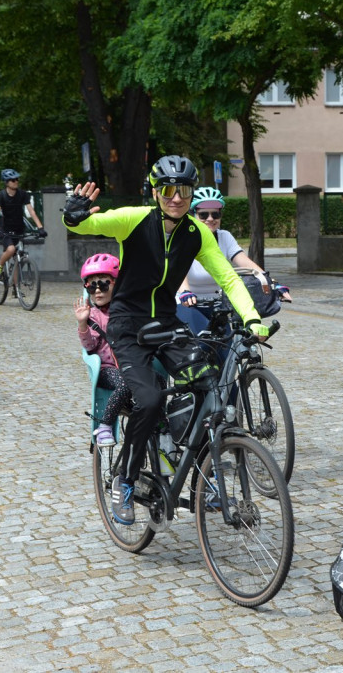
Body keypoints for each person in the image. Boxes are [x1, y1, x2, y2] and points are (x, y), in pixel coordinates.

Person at [62, 155, 270, 525]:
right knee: (151, 397)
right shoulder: (135, 219)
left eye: (184, 191)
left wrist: (251, 316)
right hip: (127, 325)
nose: (177, 198)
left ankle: (198, 471)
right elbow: (89, 222)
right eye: (169, 190)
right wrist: (73, 215)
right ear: (156, 192)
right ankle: (124, 481)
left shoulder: (197, 233)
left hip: (168, 323)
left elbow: (228, 278)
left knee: (210, 385)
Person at [176, 186, 291, 334]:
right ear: (193, 215)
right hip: (187, 303)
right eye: (203, 214)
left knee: (228, 348)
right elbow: (179, 268)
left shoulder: (224, 237)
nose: (210, 219)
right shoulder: (185, 237)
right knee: (195, 346)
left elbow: (245, 263)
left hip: (218, 305)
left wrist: (273, 283)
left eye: (215, 214)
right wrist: (185, 291)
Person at [74, 253, 131, 447]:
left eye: (104, 284)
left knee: (158, 383)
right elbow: (89, 347)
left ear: (117, 284)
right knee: (125, 384)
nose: (97, 291)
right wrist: (83, 323)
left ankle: (160, 428)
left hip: (131, 365)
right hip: (108, 369)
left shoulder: (128, 310)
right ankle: (105, 425)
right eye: (91, 286)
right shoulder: (94, 315)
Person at [0, 169, 47, 283]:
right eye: (13, 180)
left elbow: (31, 212)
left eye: (17, 179)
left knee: (18, 257)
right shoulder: (1, 196)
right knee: (11, 249)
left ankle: (16, 289)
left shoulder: (22, 194)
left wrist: (40, 228)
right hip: (5, 229)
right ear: (6, 182)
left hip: (19, 228)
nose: (16, 181)